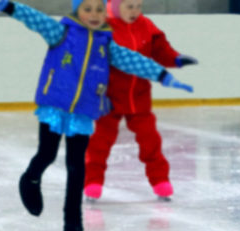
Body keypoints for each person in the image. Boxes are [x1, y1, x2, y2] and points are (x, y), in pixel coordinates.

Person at [0, 0, 192, 231]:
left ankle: (72, 221)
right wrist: (7, 5)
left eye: (99, 9)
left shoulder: (107, 43)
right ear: (77, 11)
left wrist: (163, 75)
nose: (94, 15)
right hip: (55, 106)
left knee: (76, 167)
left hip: (83, 111)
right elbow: (34, 18)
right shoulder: (61, 33)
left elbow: (133, 60)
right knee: (47, 155)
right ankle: (30, 179)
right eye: (87, 9)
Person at [83, 0, 198, 202]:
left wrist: (177, 59)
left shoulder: (146, 26)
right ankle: (92, 182)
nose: (135, 11)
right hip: (108, 99)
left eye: (138, 6)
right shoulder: (103, 28)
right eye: (129, 6)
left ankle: (160, 181)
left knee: (150, 140)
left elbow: (161, 50)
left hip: (139, 98)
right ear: (116, 7)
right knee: (100, 143)